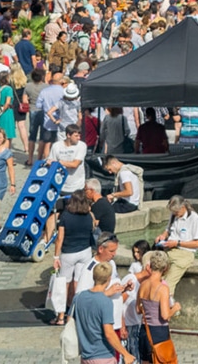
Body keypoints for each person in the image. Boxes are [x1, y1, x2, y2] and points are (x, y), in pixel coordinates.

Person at [74, 260, 135, 364]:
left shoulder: (79, 297)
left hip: (85, 356)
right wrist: (126, 354)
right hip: (103, 356)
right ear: (109, 278)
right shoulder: (105, 302)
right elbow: (109, 333)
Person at [51, 190, 98, 325]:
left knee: (64, 285)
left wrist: (55, 256)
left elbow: (60, 238)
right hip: (85, 252)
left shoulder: (66, 216)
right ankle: (75, 313)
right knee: (79, 283)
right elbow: (93, 229)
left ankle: (60, 316)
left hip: (69, 253)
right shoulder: (89, 216)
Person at [137, 250, 180, 364]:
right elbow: (165, 315)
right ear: (165, 268)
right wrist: (175, 308)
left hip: (144, 330)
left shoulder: (142, 285)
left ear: (150, 265)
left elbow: (138, 309)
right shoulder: (163, 288)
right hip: (159, 332)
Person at [154, 195, 198, 294]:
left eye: (176, 212)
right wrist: (162, 236)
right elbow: (168, 230)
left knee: (167, 284)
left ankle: (168, 306)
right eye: (173, 212)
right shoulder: (174, 215)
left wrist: (177, 243)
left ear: (183, 208)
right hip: (169, 250)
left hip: (184, 253)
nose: (174, 214)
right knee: (155, 277)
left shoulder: (194, 218)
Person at [49, 123, 88, 196]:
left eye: (79, 135)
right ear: (68, 135)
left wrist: (58, 162)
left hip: (77, 186)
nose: (79, 138)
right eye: (76, 136)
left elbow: (75, 164)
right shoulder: (56, 146)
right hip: (61, 186)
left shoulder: (81, 146)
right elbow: (51, 162)